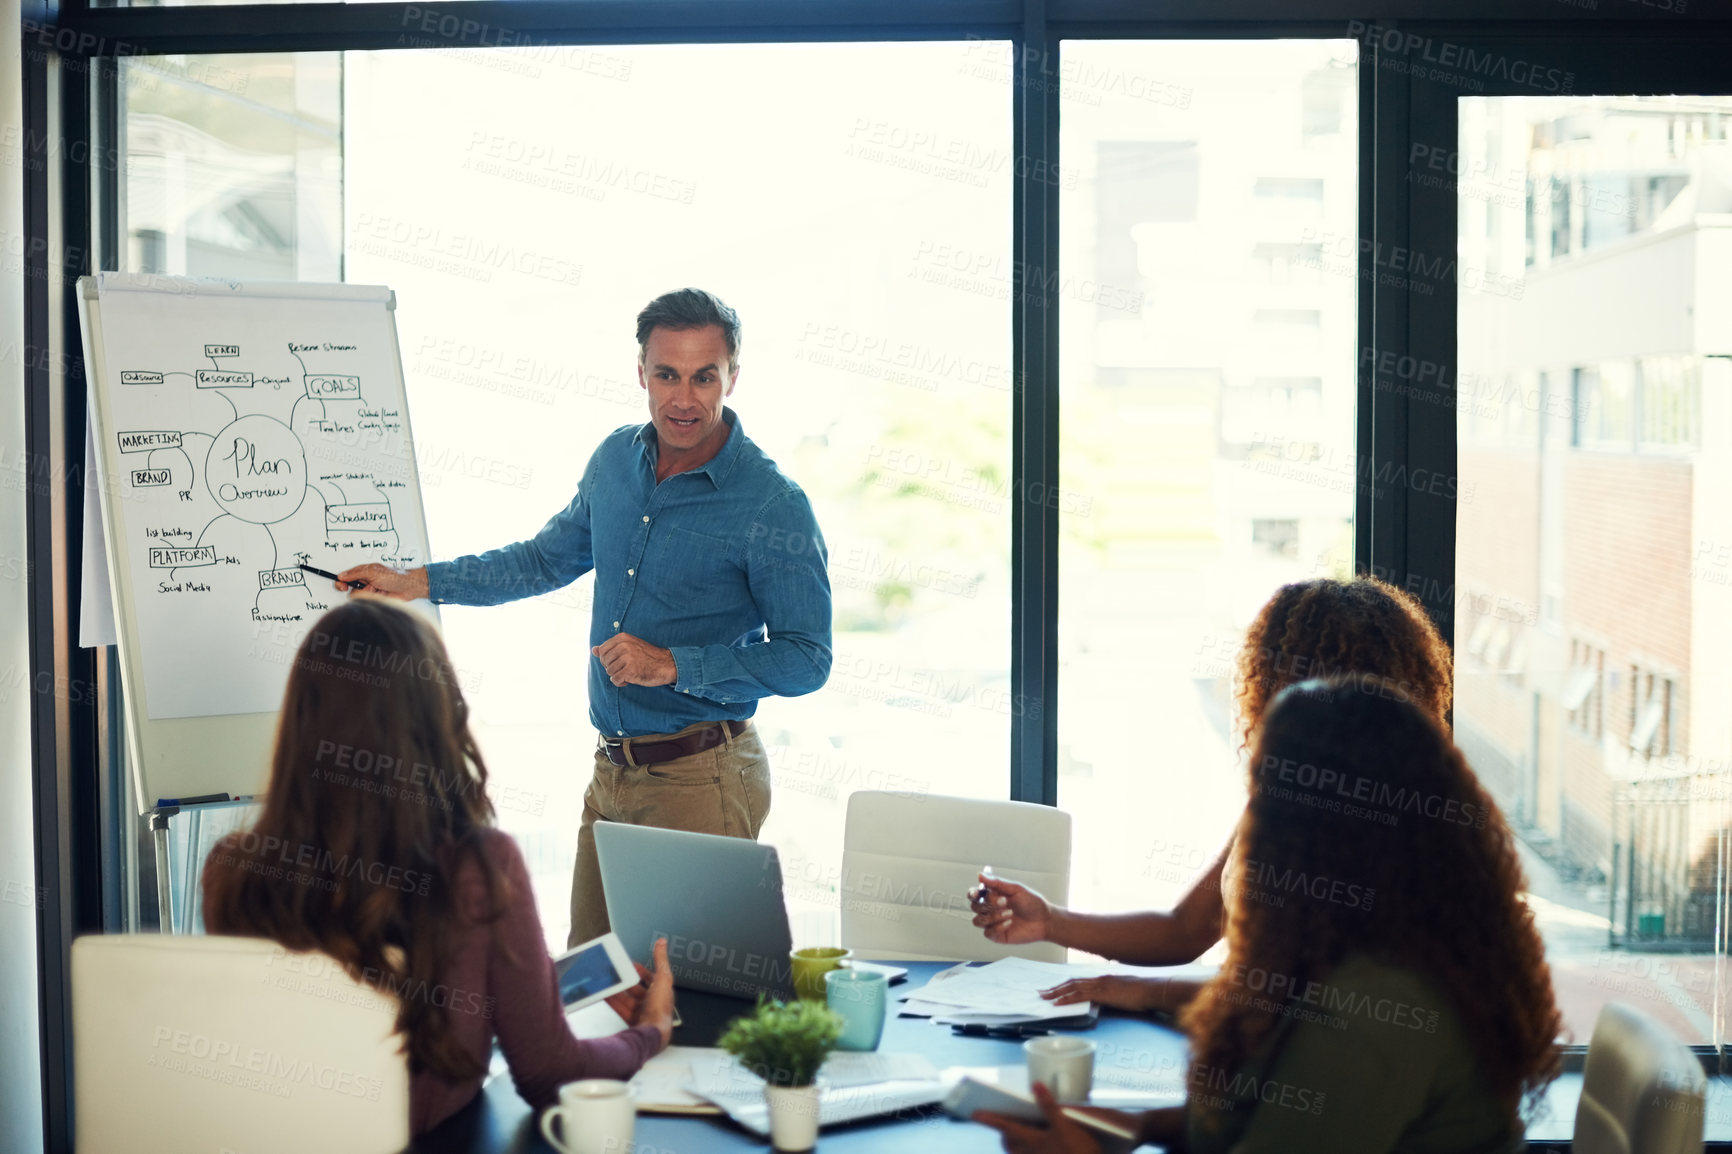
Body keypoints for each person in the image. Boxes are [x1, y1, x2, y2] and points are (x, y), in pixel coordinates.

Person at [336, 288, 833, 946]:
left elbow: (807, 658)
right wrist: (415, 581)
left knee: (704, 1002)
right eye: (667, 374)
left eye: (704, 377)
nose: (684, 399)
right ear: (641, 372)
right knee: (595, 986)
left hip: (702, 780)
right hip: (611, 776)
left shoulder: (772, 503)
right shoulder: (614, 463)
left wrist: (674, 665)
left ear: (732, 377)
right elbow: (544, 561)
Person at [978, 675, 1562, 1154]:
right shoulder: (1364, 949)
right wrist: (1127, 1128)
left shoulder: (1375, 1011)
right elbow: (1253, 1122)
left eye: (1261, 798)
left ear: (1308, 839)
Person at [201, 599, 676, 1136]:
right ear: (435, 720)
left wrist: (544, 983)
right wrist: (651, 1032)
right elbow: (550, 1073)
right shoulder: (475, 867)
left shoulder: (232, 870)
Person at [970, 576, 1453, 1014]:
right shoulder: (1284, 797)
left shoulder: (1392, 827)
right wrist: (1051, 921)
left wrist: (1144, 991)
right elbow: (1185, 928)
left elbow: (1310, 994)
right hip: (1237, 1046)